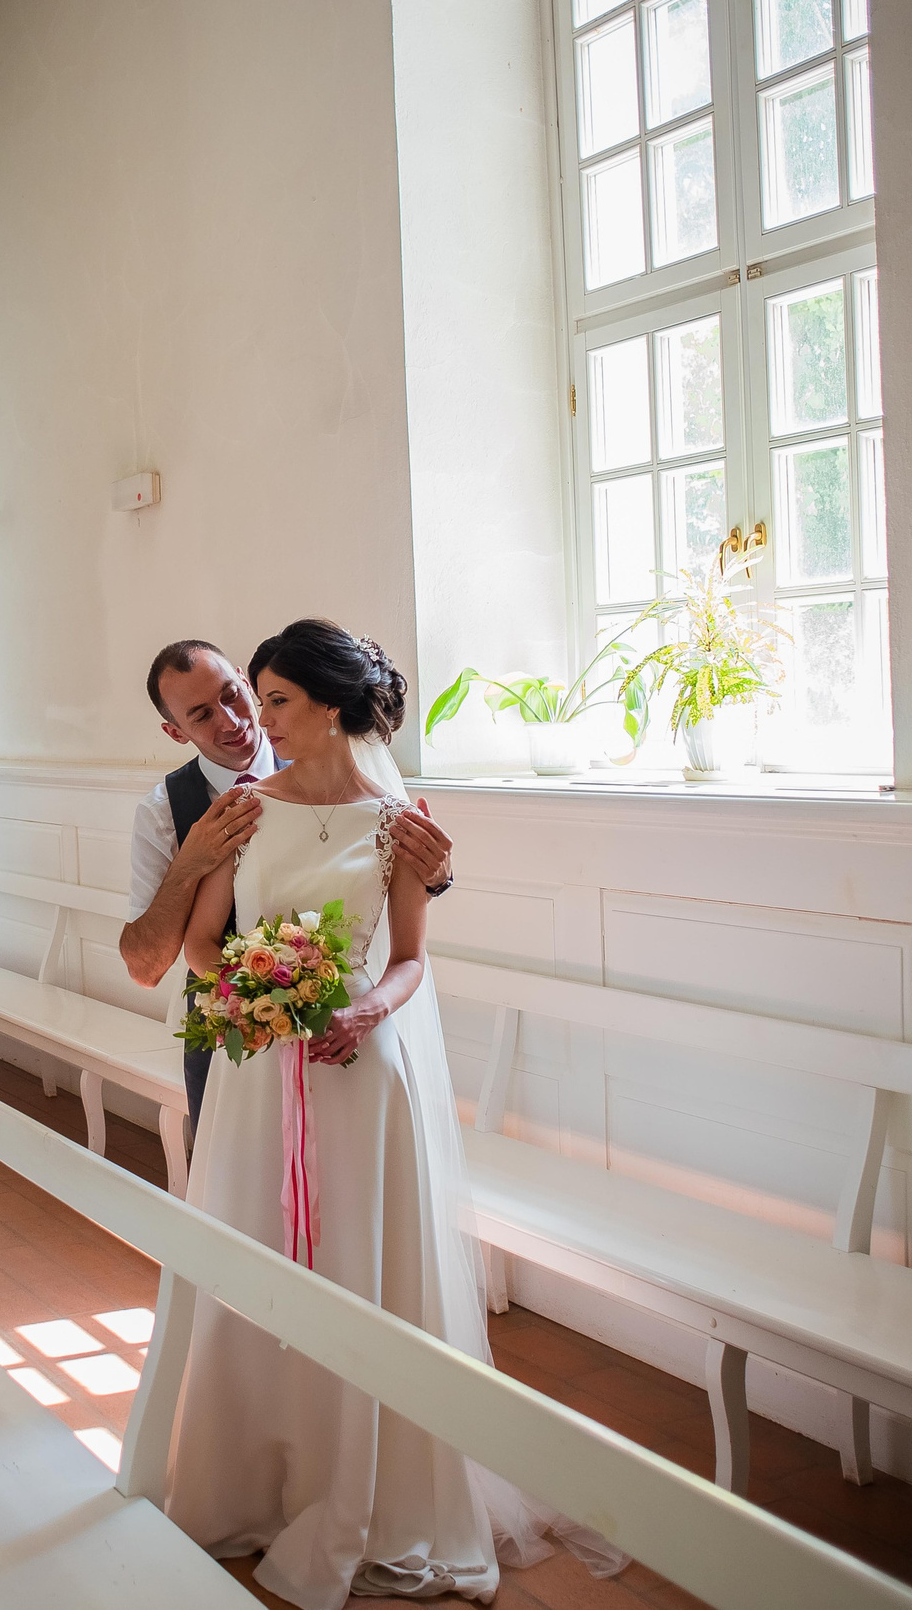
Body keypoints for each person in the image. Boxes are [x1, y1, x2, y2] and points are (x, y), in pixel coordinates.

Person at [161, 619, 625, 1609]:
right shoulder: (242, 812)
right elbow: (201, 944)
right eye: (257, 698)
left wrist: (365, 1007)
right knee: (256, 1248)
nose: (260, 719)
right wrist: (253, 990)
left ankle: (367, 1492)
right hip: (258, 1070)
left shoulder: (399, 824)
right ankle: (248, 1478)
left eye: (275, 699)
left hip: (362, 1069)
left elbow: (411, 959)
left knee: (361, 1262)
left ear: (329, 706)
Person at [122, 638, 454, 1131]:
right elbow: (146, 966)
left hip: (350, 1037)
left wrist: (437, 876)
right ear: (175, 732)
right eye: (202, 715)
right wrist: (190, 861)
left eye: (234, 696)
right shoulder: (167, 811)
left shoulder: (346, 779)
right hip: (234, 1033)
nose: (235, 721)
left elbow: (404, 932)